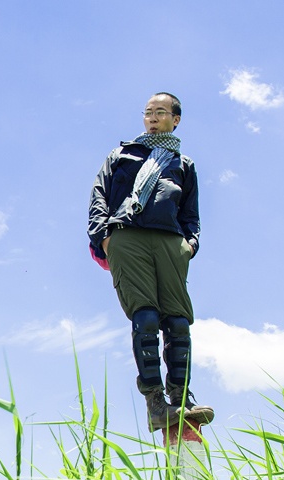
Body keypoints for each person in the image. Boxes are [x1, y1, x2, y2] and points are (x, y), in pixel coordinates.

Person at [88, 92, 214, 431]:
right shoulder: (121, 155)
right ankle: (156, 403)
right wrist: (104, 237)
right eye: (148, 112)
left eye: (161, 112)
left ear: (176, 119)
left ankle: (182, 398)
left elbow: (191, 214)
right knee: (144, 317)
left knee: (178, 322)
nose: (153, 118)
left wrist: (190, 244)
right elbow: (99, 197)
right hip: (127, 236)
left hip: (171, 241)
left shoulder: (183, 164)